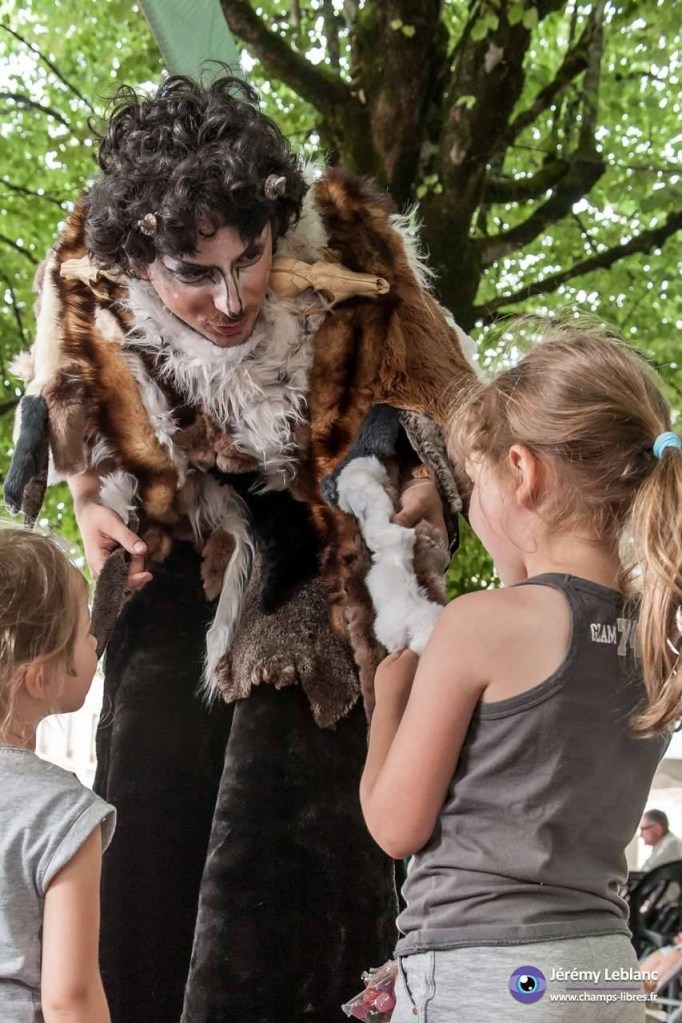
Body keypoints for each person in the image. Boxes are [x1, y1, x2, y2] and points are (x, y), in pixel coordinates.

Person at [8, 74, 472, 1022]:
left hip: (321, 552)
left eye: (250, 258)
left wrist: (420, 492)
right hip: (174, 551)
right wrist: (90, 499)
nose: (230, 298)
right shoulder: (86, 273)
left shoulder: (356, 254)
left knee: (286, 831)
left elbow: (458, 419)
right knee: (148, 812)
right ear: (139, 259)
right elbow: (65, 404)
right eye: (196, 271)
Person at [361, 324, 682, 1021]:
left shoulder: (483, 622)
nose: (473, 508)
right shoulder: (656, 638)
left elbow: (394, 825)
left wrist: (388, 703)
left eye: (476, 486)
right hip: (604, 969)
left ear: (522, 471)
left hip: (489, 970)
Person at [0, 528, 116, 1023]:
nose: (96, 640)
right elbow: (70, 997)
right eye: (87, 628)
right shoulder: (63, 812)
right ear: (40, 675)